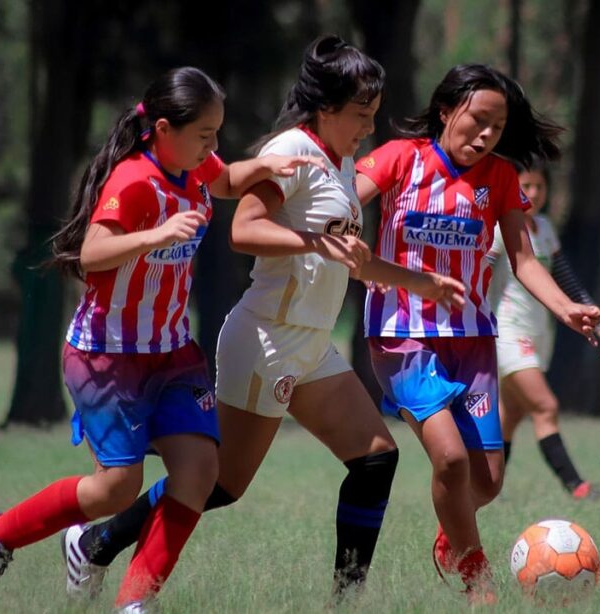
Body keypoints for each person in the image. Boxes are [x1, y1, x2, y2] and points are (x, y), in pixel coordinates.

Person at [62, 35, 466, 601]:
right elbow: (243, 230)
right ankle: (95, 544)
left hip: (311, 345)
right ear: (326, 109)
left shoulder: (342, 162)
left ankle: (345, 602)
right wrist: (313, 243)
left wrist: (424, 284)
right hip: (267, 341)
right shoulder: (291, 153)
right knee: (220, 485)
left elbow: (349, 256)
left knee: (376, 458)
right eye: (361, 115)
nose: (369, 128)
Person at [0, 66, 324, 611]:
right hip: (107, 357)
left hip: (172, 355)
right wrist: (155, 234)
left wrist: (262, 167)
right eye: (204, 134)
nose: (213, 145)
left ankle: (135, 603)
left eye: (217, 133)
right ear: (161, 128)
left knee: (200, 472)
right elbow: (91, 255)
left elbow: (223, 179)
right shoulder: (132, 180)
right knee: (116, 490)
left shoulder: (198, 169)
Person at [353, 64, 600, 603]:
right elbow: (345, 199)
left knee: (487, 481)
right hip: (402, 336)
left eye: (498, 125)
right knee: (450, 459)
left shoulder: (501, 177)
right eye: (477, 120)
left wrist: (567, 308)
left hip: (473, 342)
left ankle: (452, 538)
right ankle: (479, 583)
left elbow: (523, 258)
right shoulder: (401, 158)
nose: (486, 134)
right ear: (446, 111)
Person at [488, 160, 600, 499]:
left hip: (537, 334)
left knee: (510, 414)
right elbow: (478, 273)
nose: (532, 194)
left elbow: (566, 279)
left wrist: (598, 323)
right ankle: (578, 487)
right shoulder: (500, 229)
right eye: (524, 187)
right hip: (507, 333)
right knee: (545, 406)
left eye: (538, 187)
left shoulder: (544, 227)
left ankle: (485, 488)